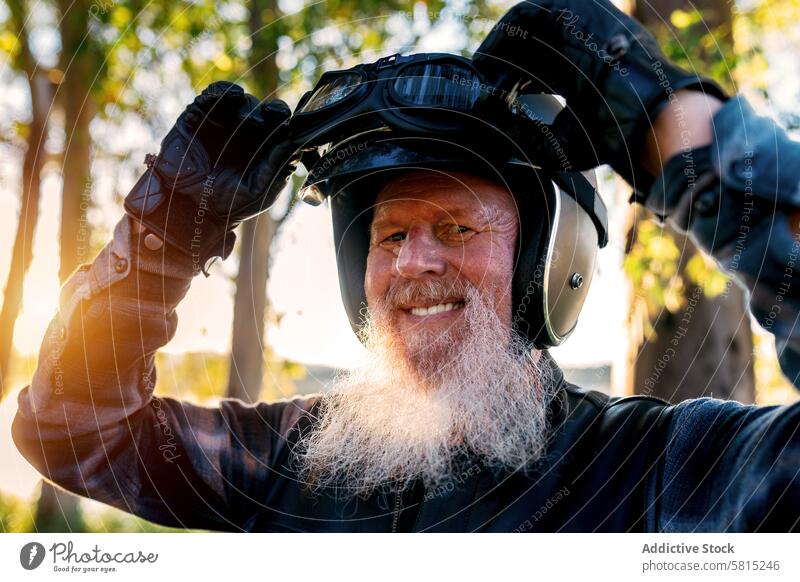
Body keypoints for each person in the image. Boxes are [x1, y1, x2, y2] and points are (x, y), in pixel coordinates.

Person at [13, 1, 800, 532]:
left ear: (549, 264)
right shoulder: (305, 464)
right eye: (389, 236)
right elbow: (73, 430)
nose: (413, 263)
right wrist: (155, 251)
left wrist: (682, 140)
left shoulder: (662, 472)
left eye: (455, 226)